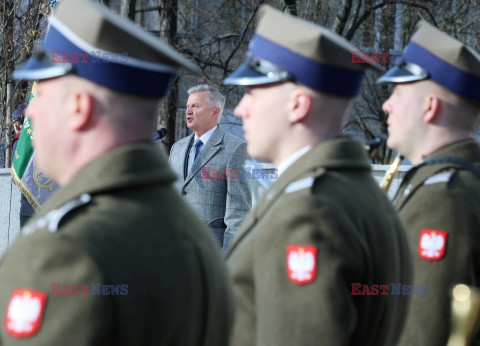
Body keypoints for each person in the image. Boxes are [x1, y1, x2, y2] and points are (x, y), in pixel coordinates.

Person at [0, 0, 234, 344]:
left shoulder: (64, 251)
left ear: (79, 108)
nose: (30, 112)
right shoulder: (191, 236)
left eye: (41, 93)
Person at [222, 5, 413, 345]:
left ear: (297, 105)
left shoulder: (306, 214)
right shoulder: (354, 192)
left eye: (252, 92)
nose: (240, 109)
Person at [378, 20, 480, 346]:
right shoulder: (456, 181)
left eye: (397, 92)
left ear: (430, 105)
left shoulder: (442, 197)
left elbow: (421, 331)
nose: (386, 105)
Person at [169, 84, 251, 252]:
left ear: (215, 112)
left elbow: (238, 213)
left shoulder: (235, 149)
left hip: (211, 254)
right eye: (188, 106)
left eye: (195, 106)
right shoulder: (176, 148)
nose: (188, 111)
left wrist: (228, 259)